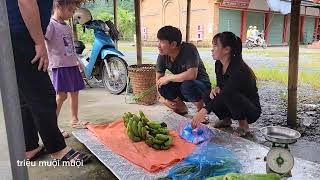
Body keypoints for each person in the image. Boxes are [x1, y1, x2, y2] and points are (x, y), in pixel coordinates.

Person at [6, 0, 91, 163]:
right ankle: (58, 149)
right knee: (43, 96)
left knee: (26, 97)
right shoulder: (53, 24)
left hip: (14, 34)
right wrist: (39, 42)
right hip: (22, 35)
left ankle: (30, 146)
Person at [192, 32, 261, 137]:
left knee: (230, 94)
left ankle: (243, 126)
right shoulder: (219, 64)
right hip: (232, 101)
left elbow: (228, 92)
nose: (212, 49)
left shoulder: (239, 69)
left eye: (215, 45)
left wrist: (203, 111)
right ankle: (226, 120)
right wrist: (216, 89)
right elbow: (221, 86)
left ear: (226, 50)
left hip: (250, 110)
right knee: (208, 94)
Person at [46, 0, 88, 135]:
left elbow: (71, 47)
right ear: (58, 6)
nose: (71, 14)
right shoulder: (51, 24)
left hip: (71, 64)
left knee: (75, 92)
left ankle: (74, 119)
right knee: (61, 96)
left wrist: (78, 61)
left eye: (73, 11)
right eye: (69, 10)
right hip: (60, 65)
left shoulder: (67, 26)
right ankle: (52, 126)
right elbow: (42, 39)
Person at [156, 26, 211, 118]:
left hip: (200, 86)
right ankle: (181, 108)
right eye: (158, 41)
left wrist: (168, 77)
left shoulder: (189, 49)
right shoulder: (162, 55)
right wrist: (163, 99)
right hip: (183, 86)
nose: (158, 45)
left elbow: (192, 75)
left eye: (162, 42)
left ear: (173, 44)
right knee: (163, 86)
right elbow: (158, 81)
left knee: (187, 84)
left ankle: (201, 111)